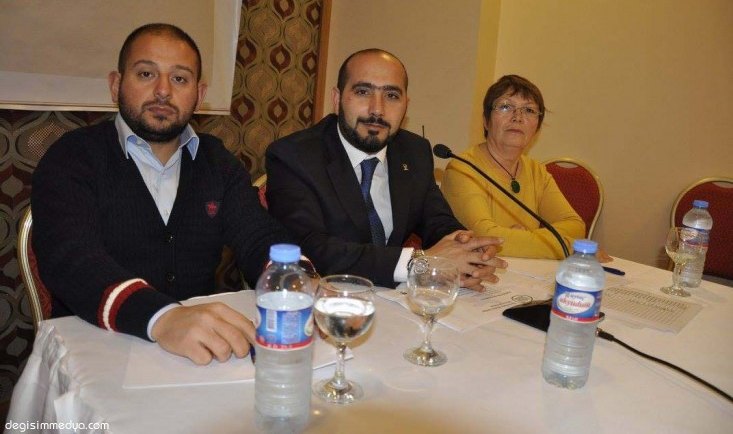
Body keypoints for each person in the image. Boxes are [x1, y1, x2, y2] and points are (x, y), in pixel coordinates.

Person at [31, 23, 292, 365]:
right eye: (146, 74)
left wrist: (296, 280)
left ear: (199, 95)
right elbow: (71, 260)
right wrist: (162, 317)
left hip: (199, 354)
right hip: (97, 349)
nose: (163, 91)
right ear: (116, 85)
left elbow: (258, 234)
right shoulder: (73, 157)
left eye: (180, 79)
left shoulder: (217, 161)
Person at [265, 48, 507, 290]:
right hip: (330, 297)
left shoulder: (414, 151)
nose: (377, 110)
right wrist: (418, 263)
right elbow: (309, 247)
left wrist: (468, 250)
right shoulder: (294, 156)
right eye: (363, 92)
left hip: (393, 299)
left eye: (391, 96)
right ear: (337, 100)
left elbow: (437, 220)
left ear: (406, 106)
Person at [441, 74, 604, 260]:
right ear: (486, 120)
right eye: (505, 107)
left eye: (529, 110)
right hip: (475, 271)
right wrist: (566, 246)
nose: (517, 117)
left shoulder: (537, 171)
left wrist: (523, 239)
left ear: (537, 128)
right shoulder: (462, 168)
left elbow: (575, 226)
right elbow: (484, 235)